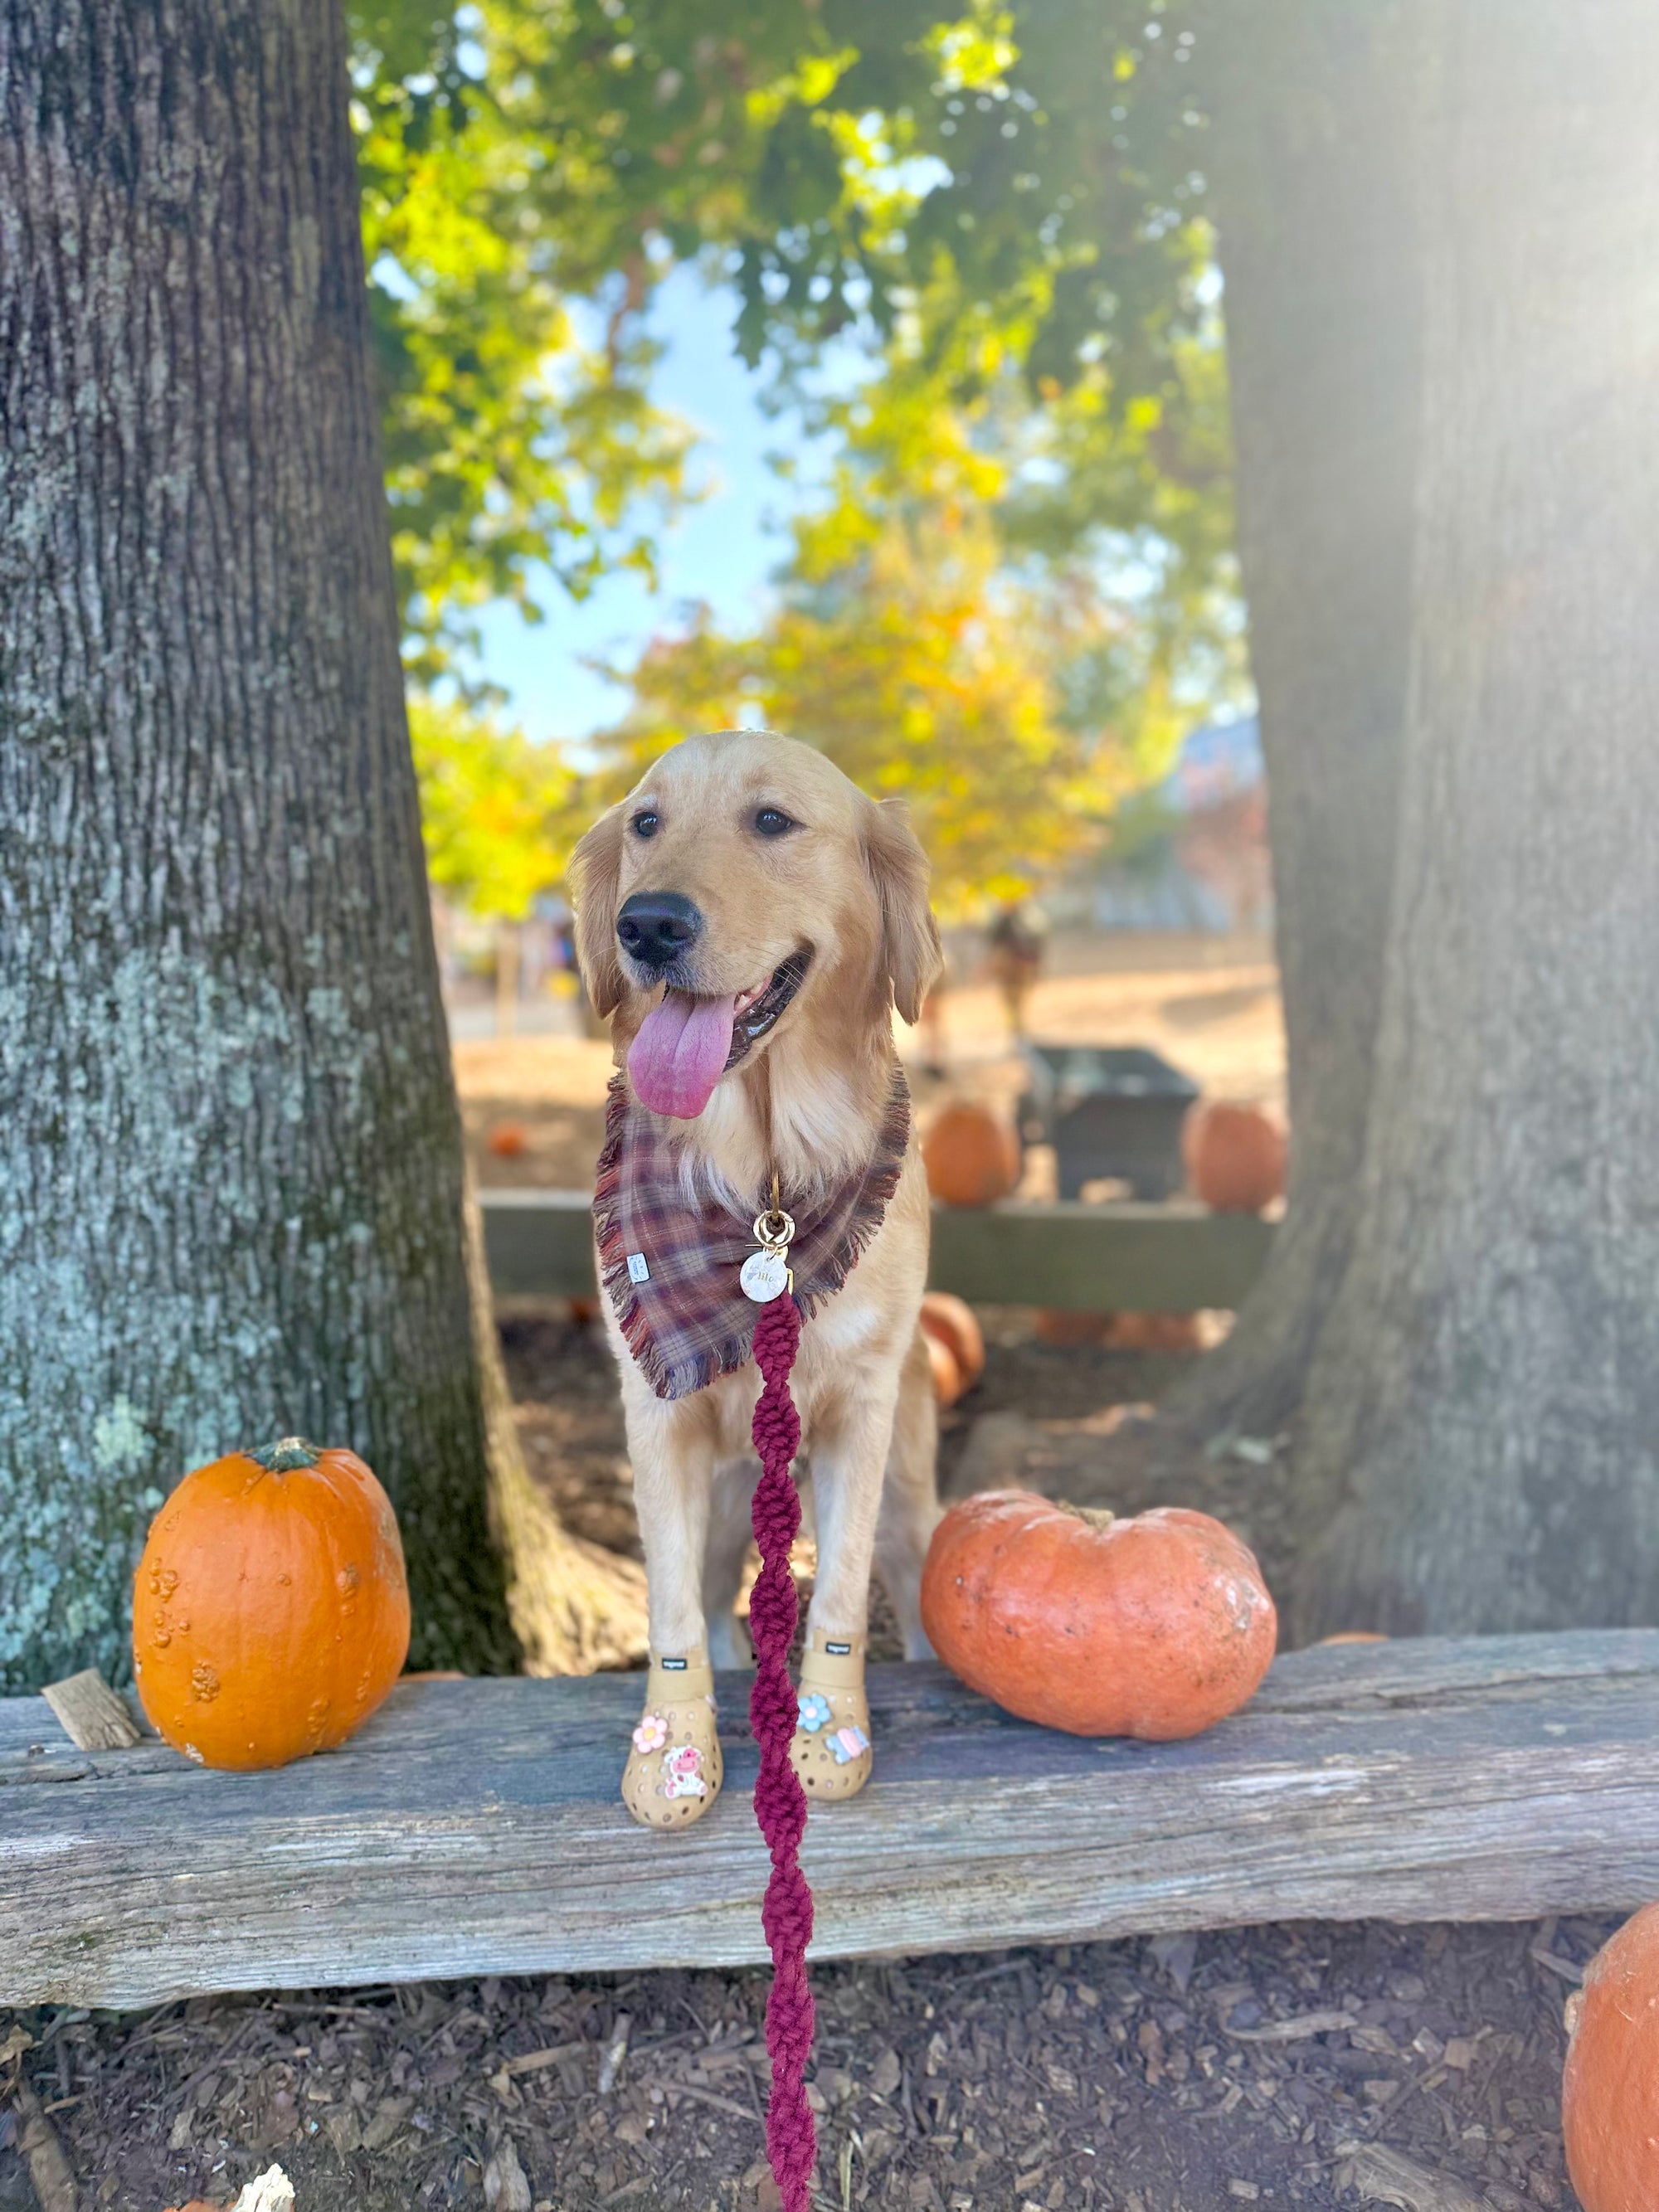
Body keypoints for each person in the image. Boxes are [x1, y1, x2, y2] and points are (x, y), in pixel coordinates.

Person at [985, 900, 1048, 1040]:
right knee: (1015, 1003)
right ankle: (1018, 1031)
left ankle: (1017, 1032)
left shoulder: (1013, 924)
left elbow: (996, 950)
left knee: (1013, 1003)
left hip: (1013, 970)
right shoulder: (1028, 923)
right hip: (1020, 970)